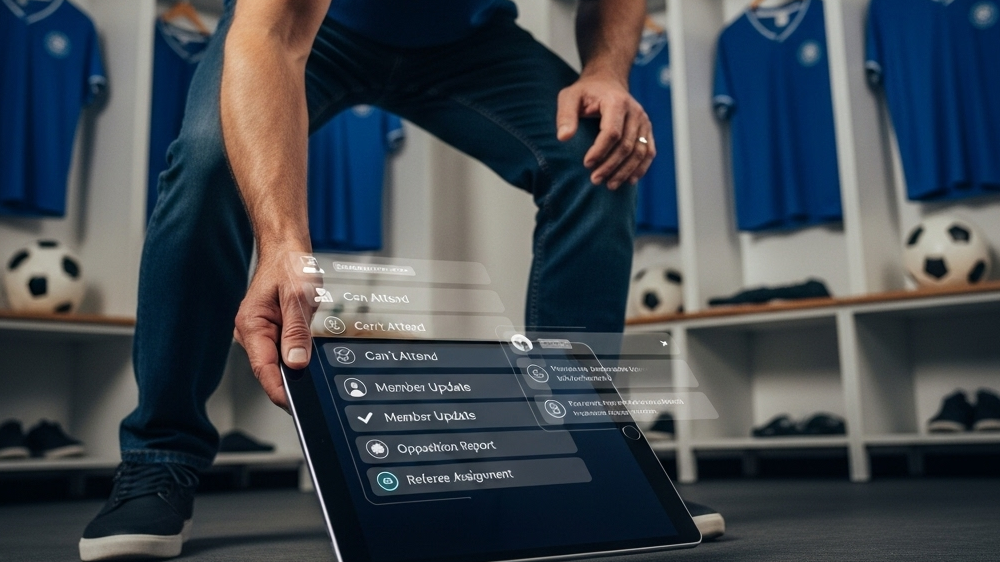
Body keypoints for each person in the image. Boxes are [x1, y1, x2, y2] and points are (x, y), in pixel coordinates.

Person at [78, 1, 721, 560]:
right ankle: (160, 458)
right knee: (207, 162)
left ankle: (584, 459)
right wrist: (282, 244)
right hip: (320, 26)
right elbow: (270, 31)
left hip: (471, 42)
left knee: (595, 161)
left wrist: (604, 71)